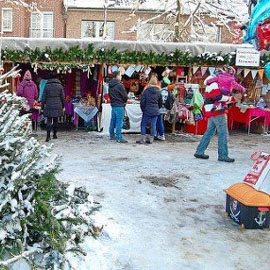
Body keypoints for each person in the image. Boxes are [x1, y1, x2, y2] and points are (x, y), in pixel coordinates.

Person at [194, 67, 244, 162]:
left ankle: (200, 151)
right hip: (216, 110)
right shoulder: (214, 83)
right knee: (223, 133)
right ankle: (223, 155)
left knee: (209, 132)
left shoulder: (212, 82)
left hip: (212, 110)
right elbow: (217, 97)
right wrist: (232, 99)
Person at [137, 73, 162, 144]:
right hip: (155, 110)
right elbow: (160, 102)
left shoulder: (146, 91)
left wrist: (143, 109)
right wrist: (157, 108)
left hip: (147, 110)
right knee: (153, 125)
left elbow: (142, 102)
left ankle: (143, 139)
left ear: (150, 82)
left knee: (143, 124)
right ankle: (151, 139)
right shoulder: (158, 91)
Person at [41, 72, 65, 142]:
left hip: (49, 104)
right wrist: (63, 106)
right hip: (58, 104)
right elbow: (62, 97)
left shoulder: (47, 85)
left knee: (49, 120)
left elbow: (43, 97)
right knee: (55, 120)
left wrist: (42, 106)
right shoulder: (60, 86)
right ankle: (54, 135)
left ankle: (48, 136)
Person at [108, 71, 128, 143]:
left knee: (113, 120)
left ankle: (111, 135)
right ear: (117, 76)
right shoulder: (120, 85)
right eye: (120, 75)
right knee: (119, 122)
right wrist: (124, 100)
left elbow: (109, 95)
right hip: (119, 105)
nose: (121, 77)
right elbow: (125, 96)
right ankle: (119, 137)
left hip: (113, 105)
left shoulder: (110, 85)